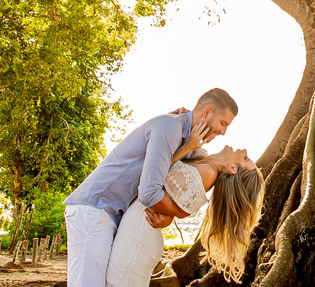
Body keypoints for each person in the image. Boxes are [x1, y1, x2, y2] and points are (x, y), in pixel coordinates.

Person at [63, 88, 238, 287]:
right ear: (206, 112)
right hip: (94, 209)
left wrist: (189, 149)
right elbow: (148, 193)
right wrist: (174, 214)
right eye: (223, 123)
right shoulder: (169, 128)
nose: (223, 132)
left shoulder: (186, 141)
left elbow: (172, 177)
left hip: (112, 215)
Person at [106, 142, 263, 286]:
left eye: (245, 158)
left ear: (233, 168)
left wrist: (173, 213)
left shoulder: (207, 172)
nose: (244, 150)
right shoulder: (205, 162)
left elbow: (155, 176)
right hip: (138, 229)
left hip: (139, 235)